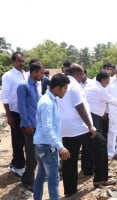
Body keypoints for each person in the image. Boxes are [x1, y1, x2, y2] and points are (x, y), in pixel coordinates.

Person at [84, 70, 117, 186]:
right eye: (107, 82)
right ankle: (100, 178)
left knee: (90, 146)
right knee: (100, 147)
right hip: (93, 118)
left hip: (88, 117)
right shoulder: (100, 89)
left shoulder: (91, 84)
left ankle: (89, 171)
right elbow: (114, 101)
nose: (108, 84)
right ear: (102, 80)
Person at [57, 63, 97, 197]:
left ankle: (70, 191)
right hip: (79, 128)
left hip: (65, 129)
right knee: (100, 144)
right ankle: (101, 178)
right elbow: (80, 107)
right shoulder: (74, 86)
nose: (83, 76)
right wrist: (90, 126)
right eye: (82, 74)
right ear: (78, 73)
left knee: (69, 160)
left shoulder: (62, 84)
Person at [33, 73, 71, 200]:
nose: (66, 91)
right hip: (47, 147)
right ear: (57, 88)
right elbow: (47, 128)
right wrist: (61, 147)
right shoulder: (47, 103)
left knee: (41, 175)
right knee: (54, 180)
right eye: (65, 88)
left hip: (42, 145)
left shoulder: (49, 100)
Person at [17, 61, 44, 192]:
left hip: (37, 124)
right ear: (34, 72)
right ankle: (29, 180)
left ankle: (27, 177)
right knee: (31, 154)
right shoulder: (23, 86)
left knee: (36, 153)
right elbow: (21, 106)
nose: (42, 75)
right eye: (40, 72)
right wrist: (27, 123)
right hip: (28, 126)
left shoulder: (37, 85)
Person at [1, 52, 27, 176]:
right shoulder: (8, 76)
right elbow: (5, 97)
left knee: (24, 139)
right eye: (19, 61)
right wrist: (9, 115)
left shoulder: (25, 75)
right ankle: (19, 166)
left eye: (23, 61)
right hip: (15, 112)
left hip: (25, 112)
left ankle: (17, 160)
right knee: (17, 140)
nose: (21, 63)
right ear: (13, 62)